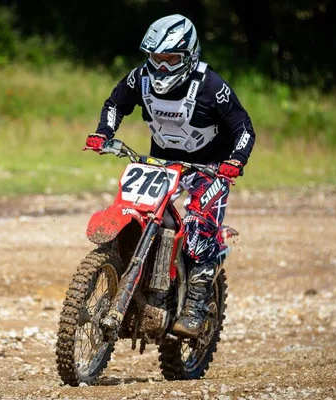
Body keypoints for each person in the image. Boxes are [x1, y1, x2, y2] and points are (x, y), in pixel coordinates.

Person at [85, 14, 256, 338]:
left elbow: (243, 127)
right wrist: (103, 132)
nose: (161, 68)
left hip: (209, 169)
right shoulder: (140, 78)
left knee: (196, 226)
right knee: (135, 211)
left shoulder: (211, 86)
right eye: (156, 59)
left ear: (189, 57)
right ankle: (132, 279)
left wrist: (235, 161)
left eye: (170, 60)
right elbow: (115, 103)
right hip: (161, 165)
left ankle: (195, 305)